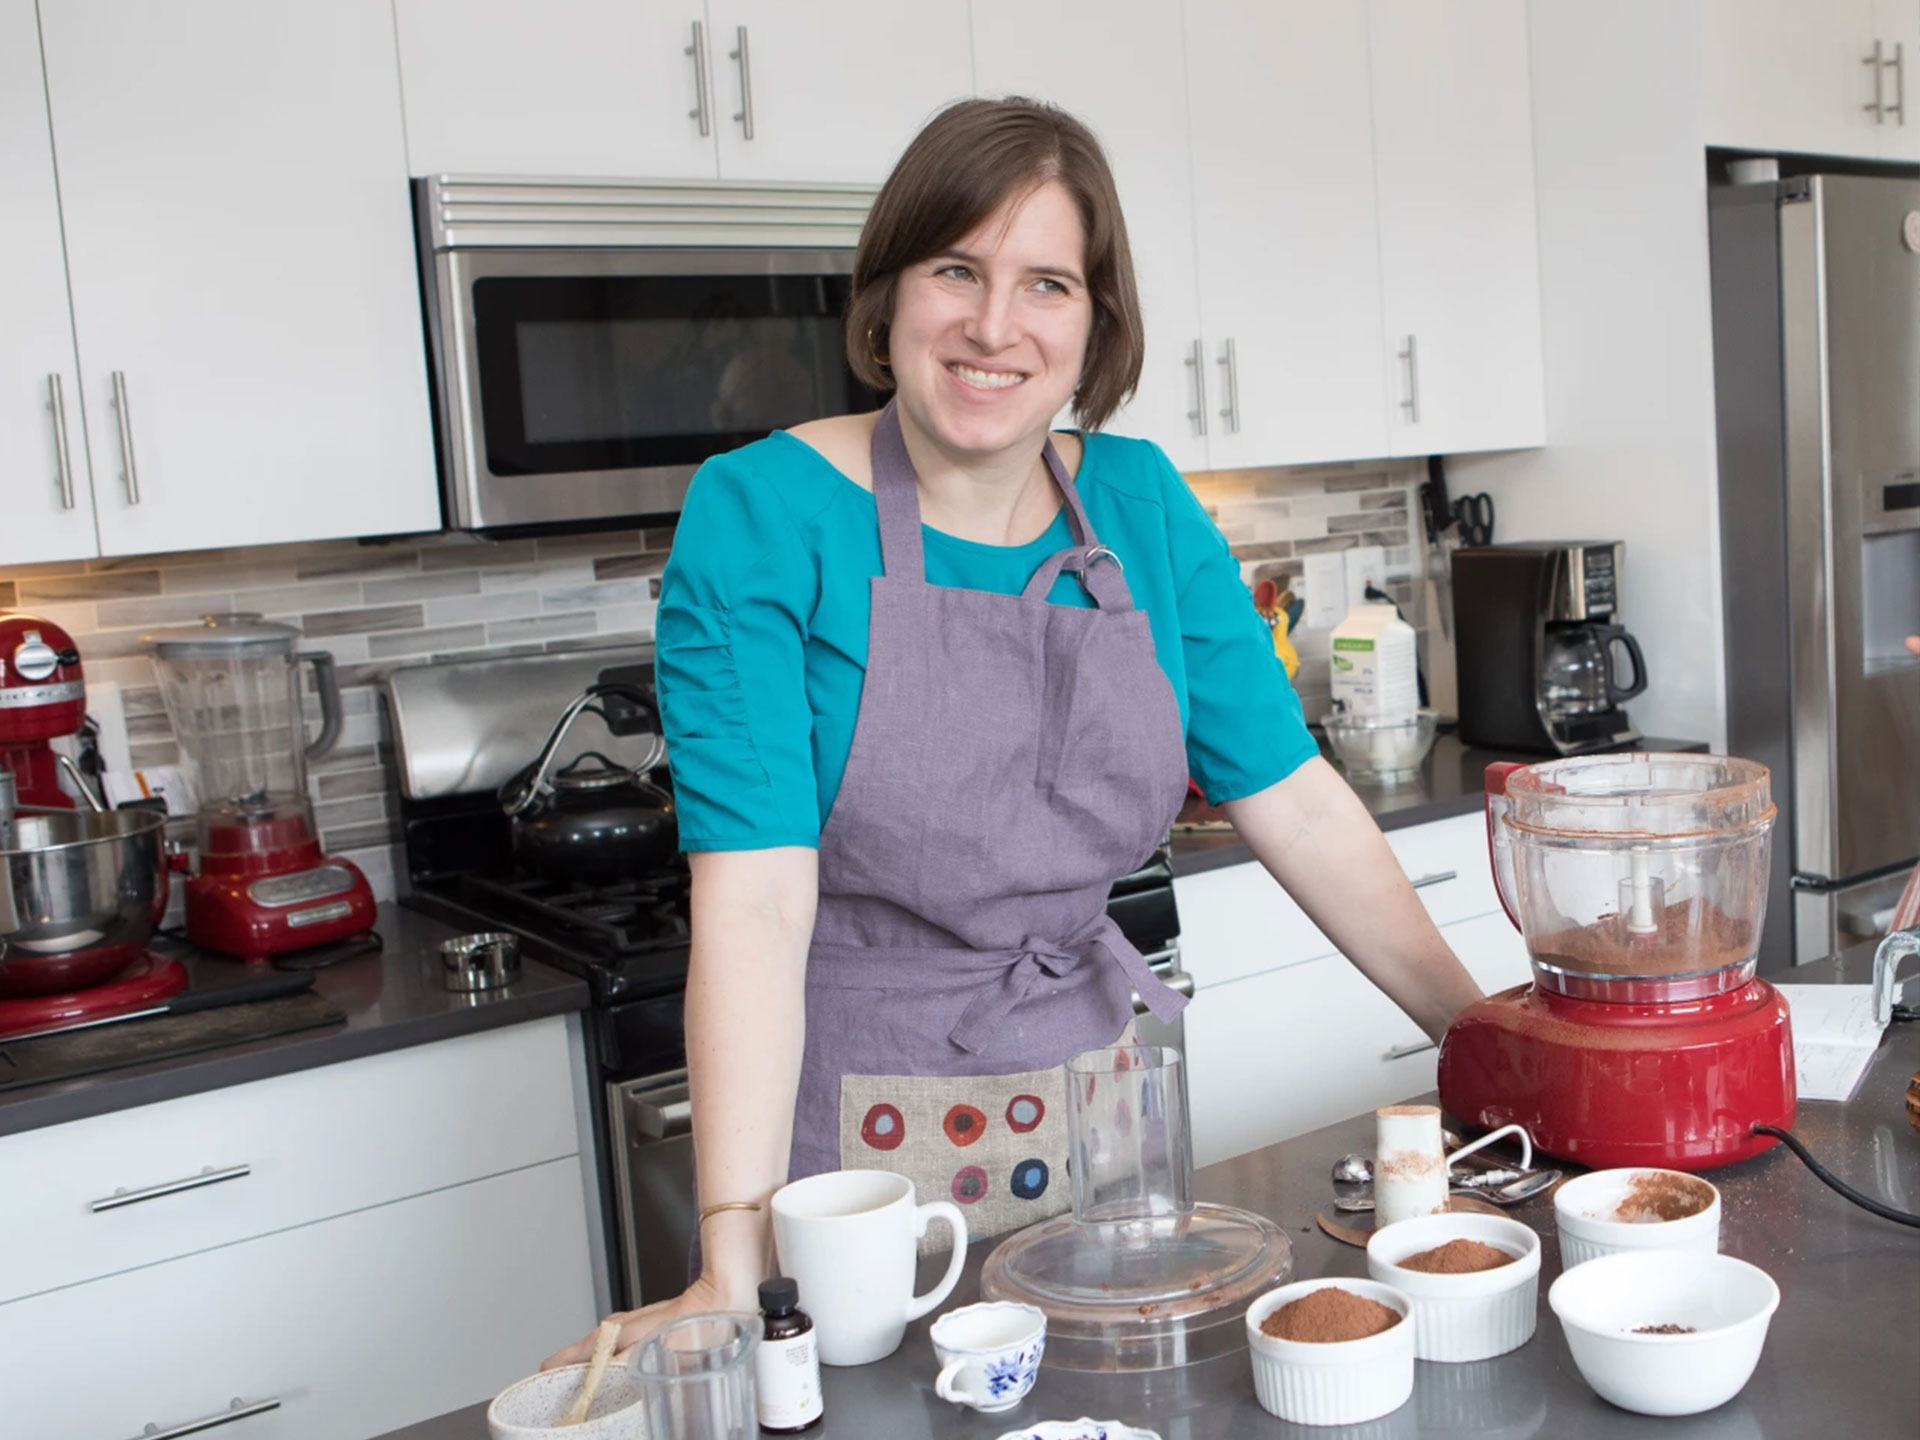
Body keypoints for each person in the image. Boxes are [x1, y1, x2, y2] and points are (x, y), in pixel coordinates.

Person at [545, 97, 1485, 1367]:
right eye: (957, 271)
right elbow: (758, 899)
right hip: (856, 1156)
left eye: (1048, 283)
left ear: (1095, 324)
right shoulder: (761, 513)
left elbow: (1297, 800)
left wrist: (1481, 1044)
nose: (996, 327)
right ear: (888, 297)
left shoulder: (1140, 504)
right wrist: (729, 1253)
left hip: (1105, 1120)